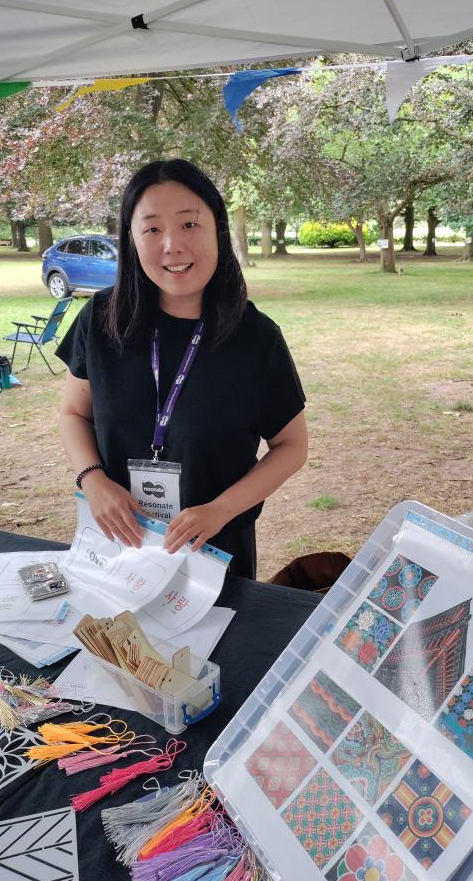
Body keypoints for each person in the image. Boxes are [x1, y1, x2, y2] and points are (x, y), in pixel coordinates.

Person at [56, 159, 308, 579]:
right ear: (132, 239)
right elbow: (73, 413)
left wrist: (221, 509)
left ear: (218, 230)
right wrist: (92, 479)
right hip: (117, 546)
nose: (171, 245)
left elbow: (292, 446)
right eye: (152, 229)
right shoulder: (100, 319)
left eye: (189, 224)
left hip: (214, 554)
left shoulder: (256, 338)